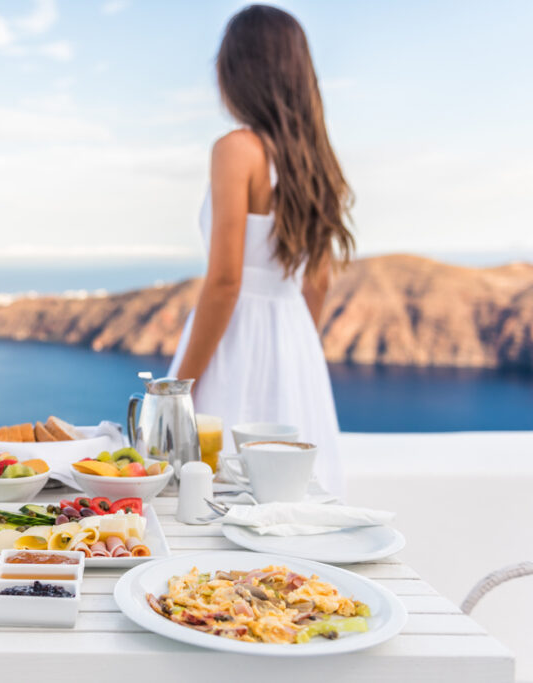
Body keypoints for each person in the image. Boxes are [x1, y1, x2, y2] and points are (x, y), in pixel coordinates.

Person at [168, 4, 353, 498]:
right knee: (293, 504)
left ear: (238, 72)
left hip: (236, 344)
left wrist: (175, 393)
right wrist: (295, 355)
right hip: (295, 343)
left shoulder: (237, 149)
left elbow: (226, 281)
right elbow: (318, 280)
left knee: (212, 495)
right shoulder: (313, 160)